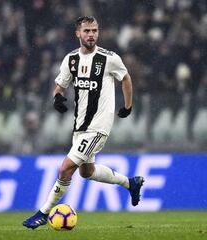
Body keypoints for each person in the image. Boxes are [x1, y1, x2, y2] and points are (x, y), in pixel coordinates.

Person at [23, 16, 144, 229]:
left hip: (99, 126)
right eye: (87, 31)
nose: (91, 35)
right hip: (80, 126)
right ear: (78, 33)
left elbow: (125, 78)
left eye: (94, 30)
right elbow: (60, 85)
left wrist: (128, 106)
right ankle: (130, 183)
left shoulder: (109, 58)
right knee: (86, 171)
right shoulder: (70, 59)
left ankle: (43, 212)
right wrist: (58, 98)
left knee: (65, 168)